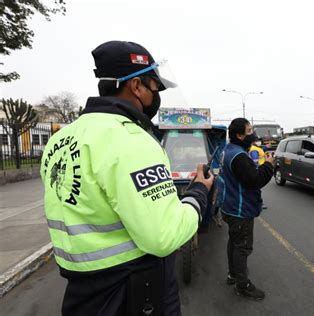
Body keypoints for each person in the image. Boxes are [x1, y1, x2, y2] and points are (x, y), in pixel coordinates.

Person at [40, 40, 214, 316]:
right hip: (132, 291)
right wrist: (198, 194)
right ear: (136, 86)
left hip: (80, 290)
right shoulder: (132, 139)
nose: (156, 95)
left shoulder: (60, 139)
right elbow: (163, 236)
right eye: (155, 87)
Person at [217, 118, 274, 300]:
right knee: (242, 247)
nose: (253, 135)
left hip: (229, 207)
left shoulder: (228, 150)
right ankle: (243, 285)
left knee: (234, 242)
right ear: (239, 135)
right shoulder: (240, 156)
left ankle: (233, 274)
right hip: (239, 210)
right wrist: (269, 165)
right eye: (249, 131)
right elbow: (254, 180)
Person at [249, 138, 268, 209]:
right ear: (254, 142)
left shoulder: (257, 148)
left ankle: (256, 202)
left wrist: (265, 147)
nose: (259, 142)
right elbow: (255, 161)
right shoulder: (254, 149)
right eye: (257, 141)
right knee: (257, 188)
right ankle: (259, 203)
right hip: (258, 170)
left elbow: (261, 152)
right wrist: (257, 172)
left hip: (260, 168)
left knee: (257, 188)